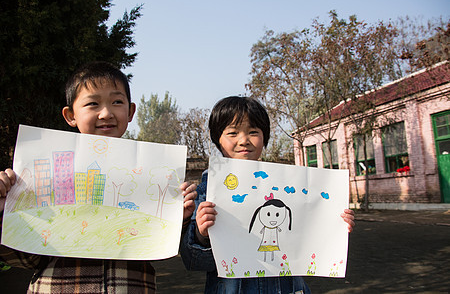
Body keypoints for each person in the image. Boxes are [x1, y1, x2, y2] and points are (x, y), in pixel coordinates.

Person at [0, 61, 197, 293]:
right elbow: (24, 260)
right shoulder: (43, 175)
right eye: (93, 103)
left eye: (117, 102)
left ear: (131, 111)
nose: (106, 113)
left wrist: (177, 217)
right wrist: (5, 212)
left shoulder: (150, 176)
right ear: (70, 115)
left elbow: (158, 251)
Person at [180, 96, 355, 294]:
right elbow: (193, 261)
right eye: (232, 133)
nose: (244, 140)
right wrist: (202, 236)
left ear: (265, 137)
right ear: (217, 139)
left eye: (253, 132)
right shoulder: (206, 192)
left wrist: (335, 226)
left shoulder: (290, 186)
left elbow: (310, 234)